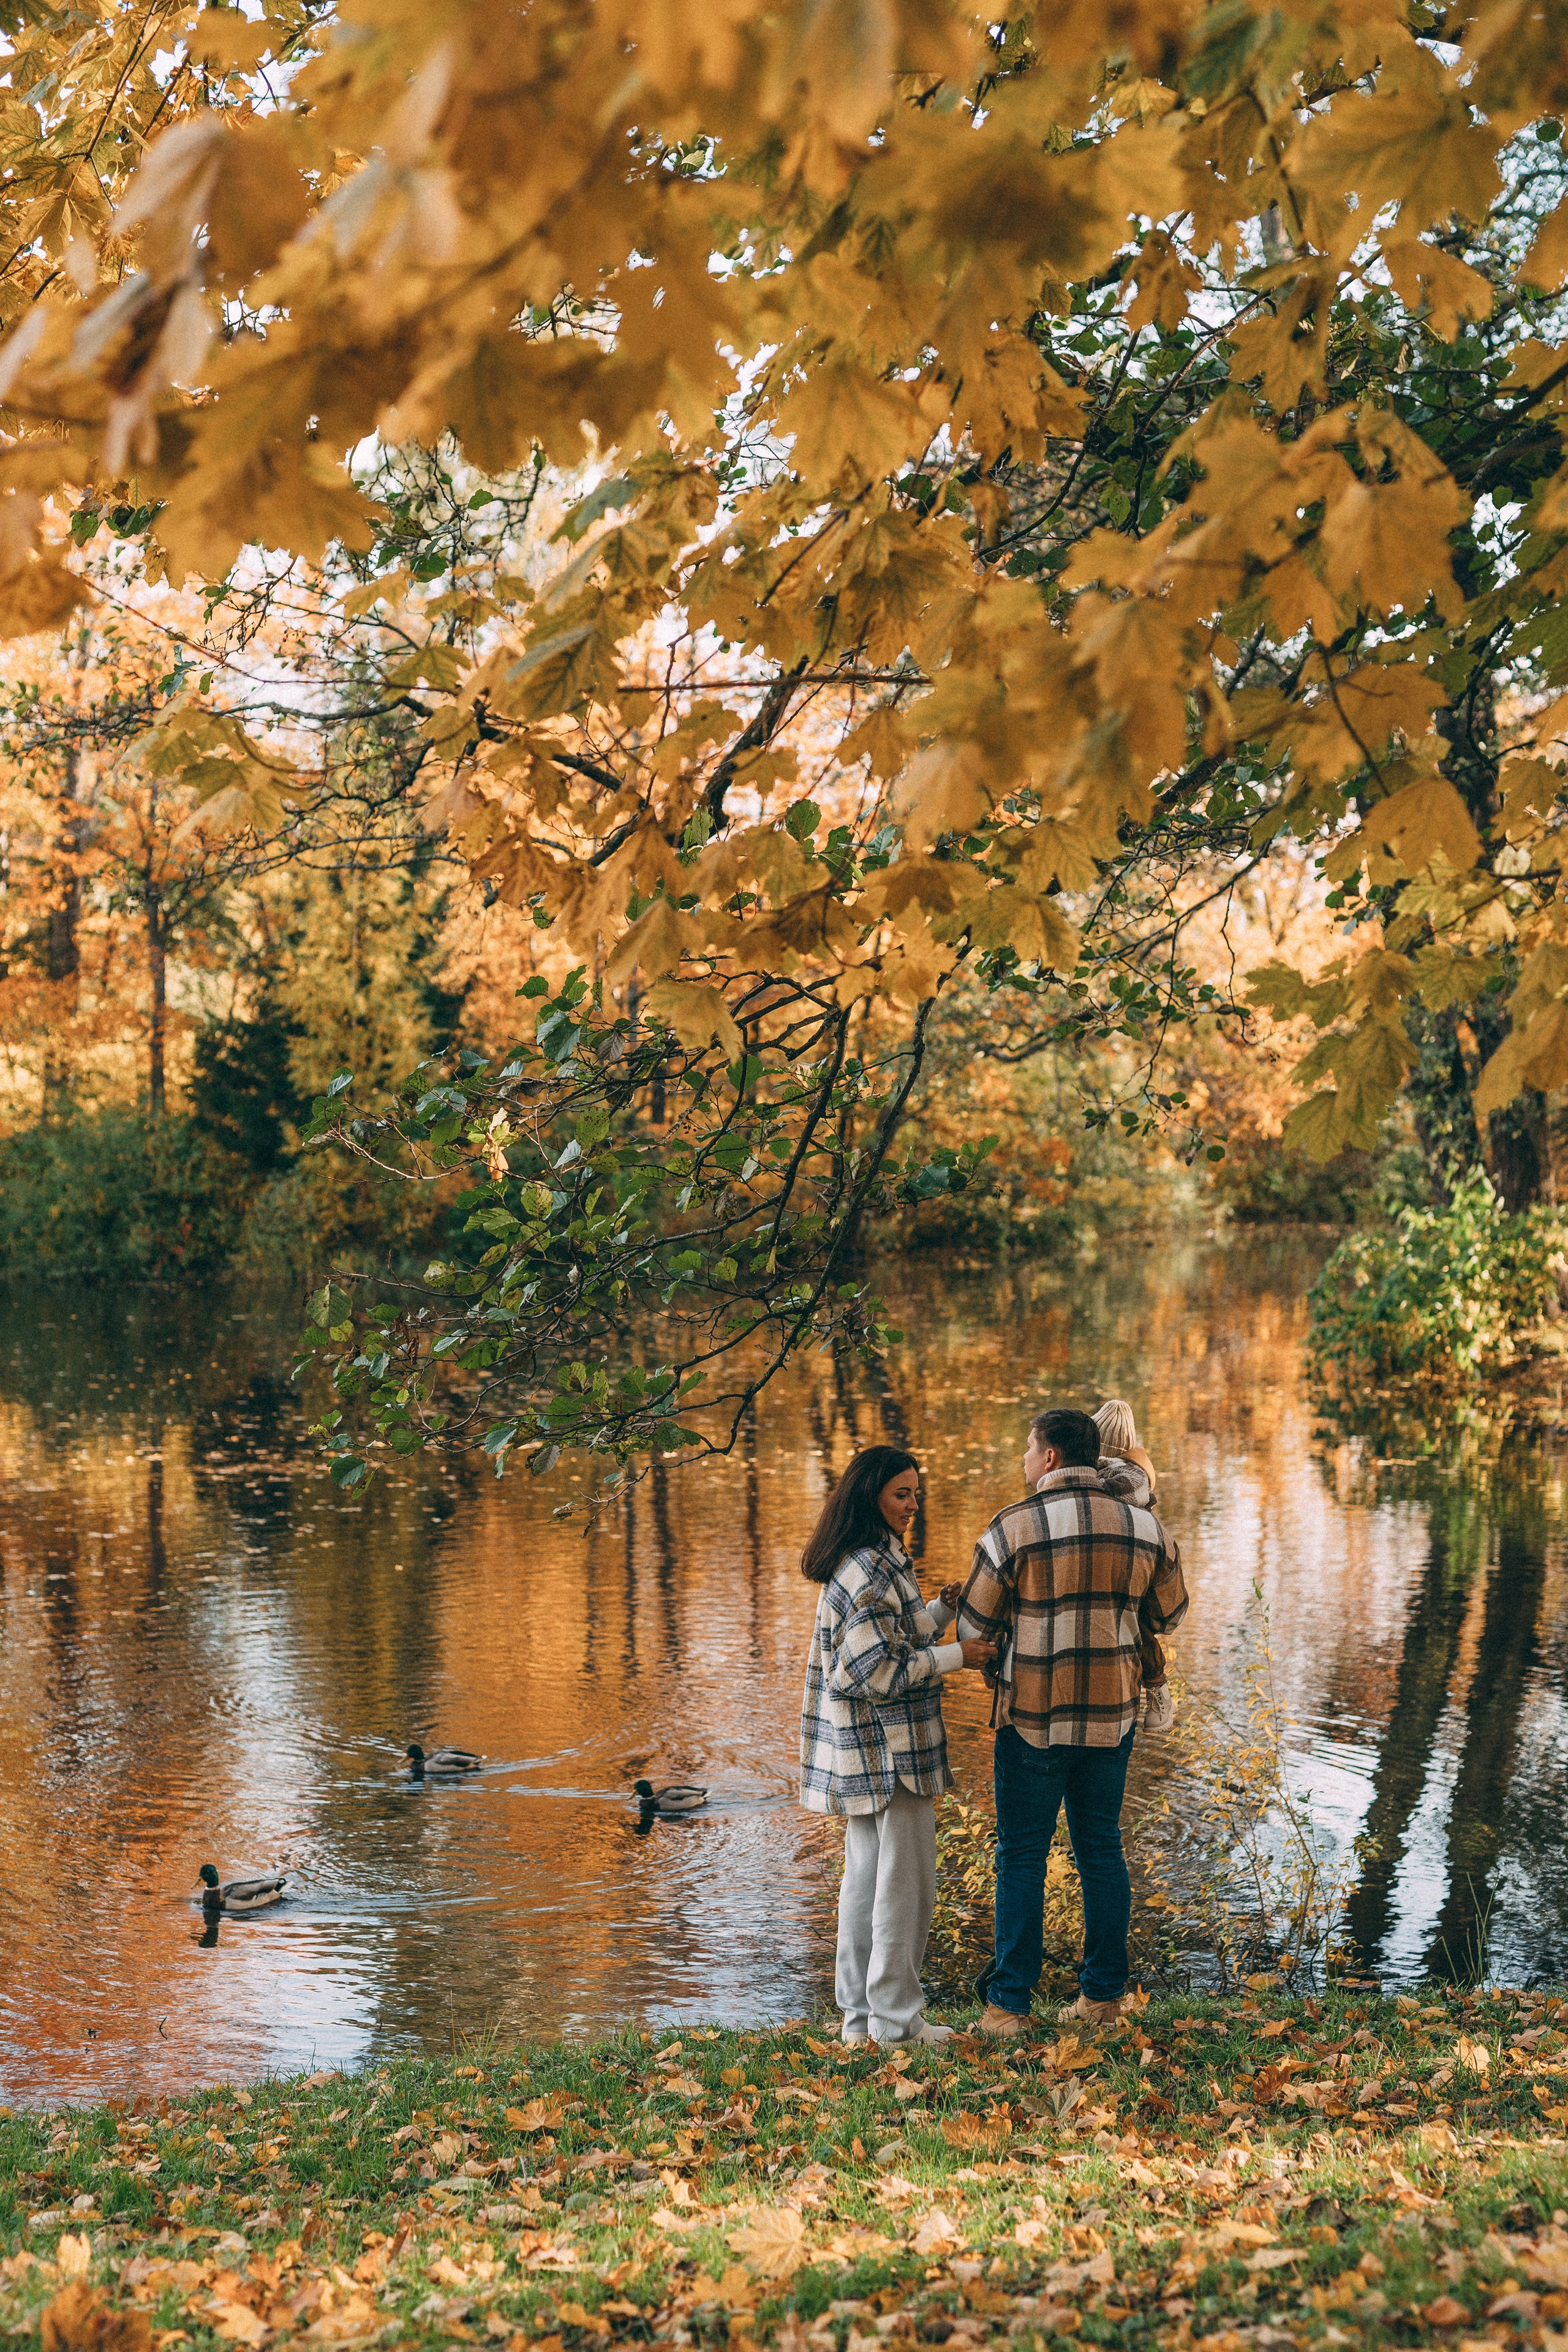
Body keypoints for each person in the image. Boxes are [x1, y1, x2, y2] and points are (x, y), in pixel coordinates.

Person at [956, 1405, 1188, 2038]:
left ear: (1051, 1456)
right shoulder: (1144, 1527)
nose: (1024, 1461)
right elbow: (1168, 1617)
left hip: (1030, 1716)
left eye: (1028, 1449)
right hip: (1111, 1718)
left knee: (1022, 1855)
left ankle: (1008, 2009)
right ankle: (1102, 2000)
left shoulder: (1013, 1527)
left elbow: (972, 1628)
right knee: (1101, 1849)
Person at [799, 1444, 997, 2046]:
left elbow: (881, 1640)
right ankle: (895, 2026)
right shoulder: (870, 1568)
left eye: (916, 1493)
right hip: (891, 1755)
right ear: (871, 1496)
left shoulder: (869, 1559)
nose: (912, 1504)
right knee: (903, 1891)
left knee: (866, 1887)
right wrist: (957, 1656)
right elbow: (869, 1673)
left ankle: (861, 2023)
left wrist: (937, 1611)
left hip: (866, 1755)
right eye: (900, 1494)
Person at [1092, 1399, 1175, 1732]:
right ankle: (1157, 1687)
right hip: (1130, 1570)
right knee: (1138, 1620)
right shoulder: (1139, 1482)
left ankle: (1157, 1686)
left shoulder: (1099, 1477)